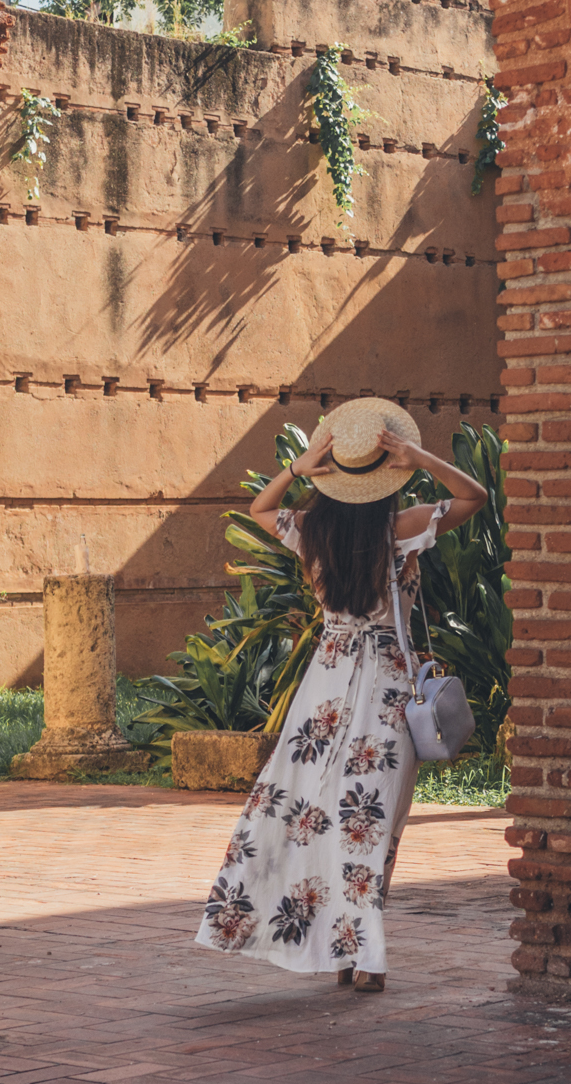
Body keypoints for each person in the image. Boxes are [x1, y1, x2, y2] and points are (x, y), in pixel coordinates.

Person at [195, 396, 486, 993]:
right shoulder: (401, 529)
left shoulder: (311, 530)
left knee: (307, 811)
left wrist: (301, 468)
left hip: (321, 692)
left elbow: (261, 505)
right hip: (386, 691)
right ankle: (360, 950)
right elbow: (473, 497)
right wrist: (419, 456)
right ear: (387, 479)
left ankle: (344, 948)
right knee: (370, 820)